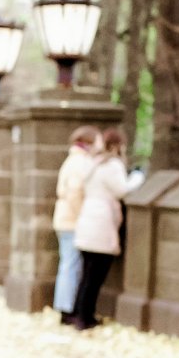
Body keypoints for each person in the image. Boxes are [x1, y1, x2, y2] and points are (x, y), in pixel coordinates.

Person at [70, 125, 132, 331]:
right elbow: (122, 190)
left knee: (86, 274)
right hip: (102, 222)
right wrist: (137, 180)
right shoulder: (112, 165)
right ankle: (85, 317)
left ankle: (79, 312)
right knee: (95, 276)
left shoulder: (91, 163)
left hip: (87, 220)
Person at [51, 126, 98, 321]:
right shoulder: (80, 162)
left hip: (65, 219)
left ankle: (65, 306)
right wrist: (83, 217)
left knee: (68, 263)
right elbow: (74, 192)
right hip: (72, 221)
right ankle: (67, 308)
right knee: (71, 265)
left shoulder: (73, 160)